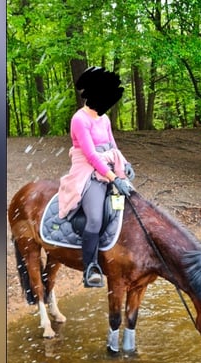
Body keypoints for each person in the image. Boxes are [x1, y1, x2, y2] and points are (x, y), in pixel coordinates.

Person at [58, 67, 135, 287]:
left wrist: (125, 165)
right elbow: (91, 155)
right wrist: (114, 178)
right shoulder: (79, 120)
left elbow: (112, 145)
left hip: (109, 166)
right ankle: (90, 268)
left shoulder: (104, 118)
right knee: (95, 219)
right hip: (89, 172)